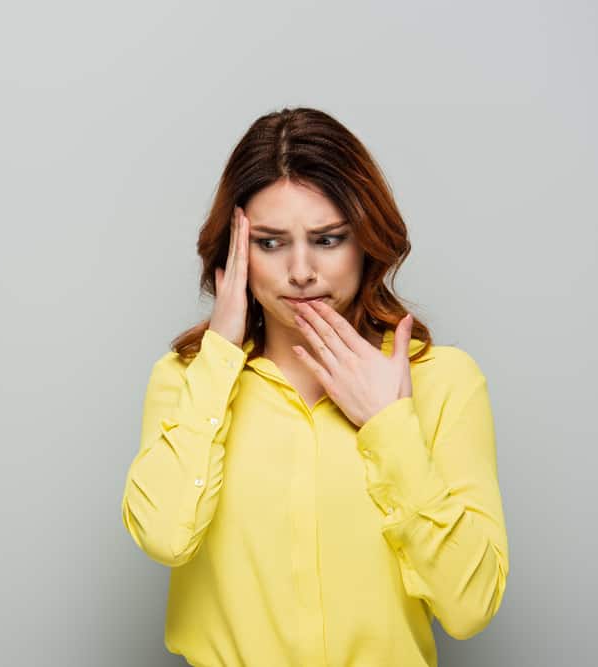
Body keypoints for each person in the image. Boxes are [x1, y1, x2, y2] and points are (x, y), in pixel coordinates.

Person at [119, 107, 510, 667]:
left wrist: (389, 426)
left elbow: (470, 608)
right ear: (235, 253)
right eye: (272, 244)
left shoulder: (443, 382)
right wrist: (220, 357)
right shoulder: (186, 380)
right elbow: (164, 538)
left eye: (327, 240)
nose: (301, 271)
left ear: (366, 243)